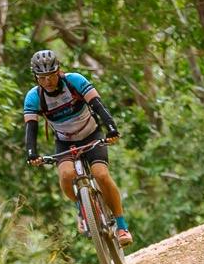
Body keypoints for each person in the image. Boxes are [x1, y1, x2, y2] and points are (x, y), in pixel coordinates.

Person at [21, 49, 131, 246]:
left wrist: (111, 129)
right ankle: (82, 207)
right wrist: (31, 153)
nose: (47, 81)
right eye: (42, 77)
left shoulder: (75, 81)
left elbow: (98, 105)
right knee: (66, 175)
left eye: (51, 75)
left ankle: (122, 226)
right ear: (35, 77)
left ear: (59, 71)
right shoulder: (34, 97)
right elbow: (31, 128)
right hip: (65, 141)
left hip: (91, 134)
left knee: (101, 175)